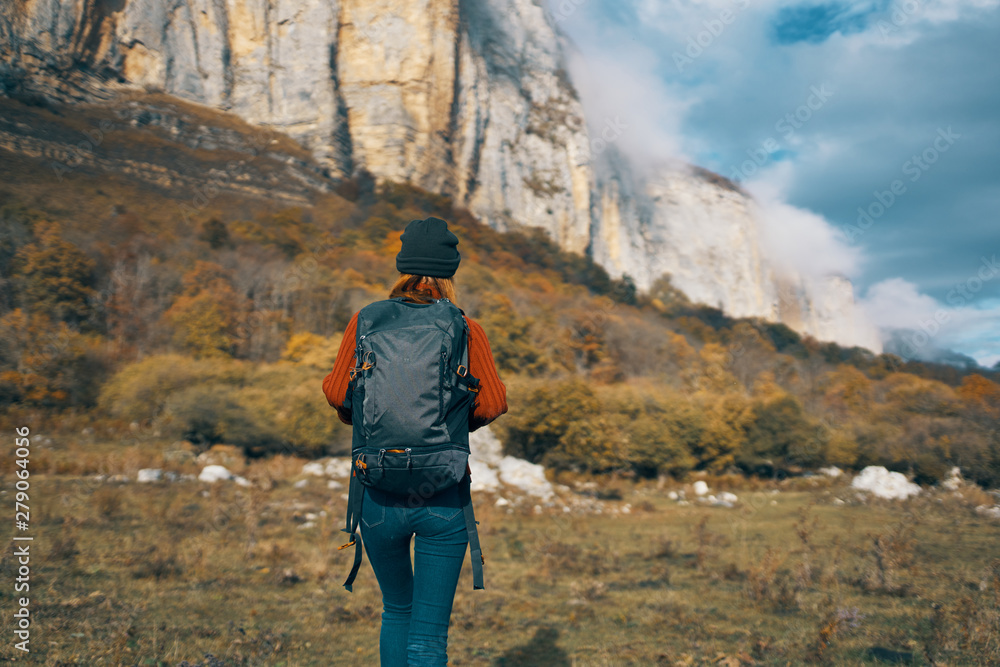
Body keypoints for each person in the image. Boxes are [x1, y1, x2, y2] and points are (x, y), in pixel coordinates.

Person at [322, 216, 508, 666]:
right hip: (441, 495)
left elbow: (337, 392)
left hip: (378, 492)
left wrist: (374, 420)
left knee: (396, 611)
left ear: (402, 265)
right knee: (427, 635)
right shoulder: (464, 326)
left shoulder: (366, 319)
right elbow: (493, 403)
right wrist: (449, 424)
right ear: (450, 271)